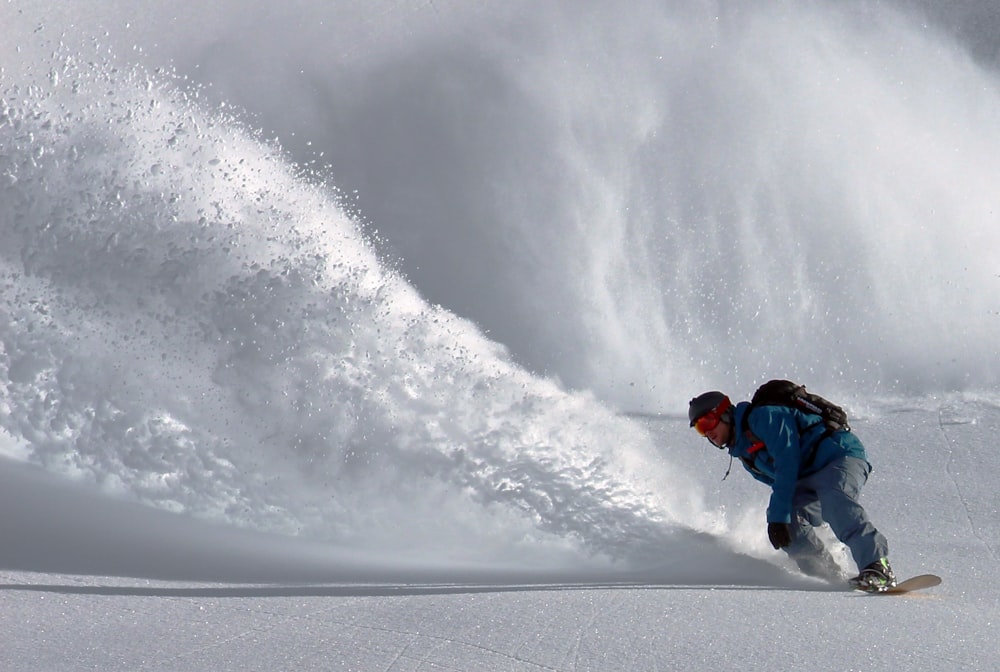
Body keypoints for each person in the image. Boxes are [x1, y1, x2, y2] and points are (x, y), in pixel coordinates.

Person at [688, 390, 895, 591]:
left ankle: (877, 567)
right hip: (806, 479)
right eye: (699, 429)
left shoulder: (764, 417)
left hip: (837, 457)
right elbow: (782, 485)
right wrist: (782, 519)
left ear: (724, 413)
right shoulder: (746, 456)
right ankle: (828, 576)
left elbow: (787, 463)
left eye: (707, 422)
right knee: (790, 525)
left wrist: (778, 516)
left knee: (834, 500)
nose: (707, 432)